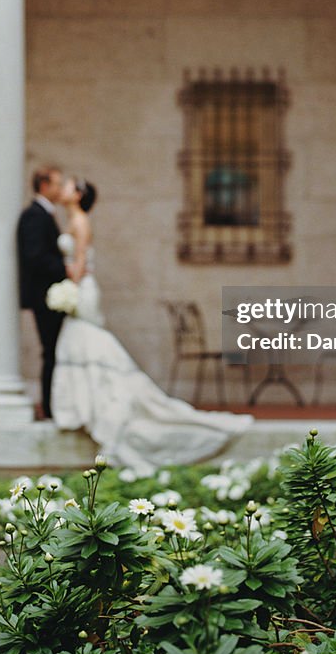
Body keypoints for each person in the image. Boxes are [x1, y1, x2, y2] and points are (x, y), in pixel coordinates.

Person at [51, 176, 252, 472]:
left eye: (68, 186)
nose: (63, 189)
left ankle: (95, 405)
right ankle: (82, 405)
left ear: (79, 195)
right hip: (79, 287)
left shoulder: (80, 222)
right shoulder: (74, 220)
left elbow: (80, 262)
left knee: (85, 339)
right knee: (79, 342)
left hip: (82, 288)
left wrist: (67, 288)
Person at [16, 165, 70, 420]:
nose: (60, 189)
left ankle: (53, 404)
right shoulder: (34, 216)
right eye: (58, 184)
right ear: (44, 186)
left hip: (53, 295)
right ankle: (49, 407)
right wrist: (65, 269)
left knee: (55, 351)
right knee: (51, 351)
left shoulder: (45, 215)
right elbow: (35, 257)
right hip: (45, 296)